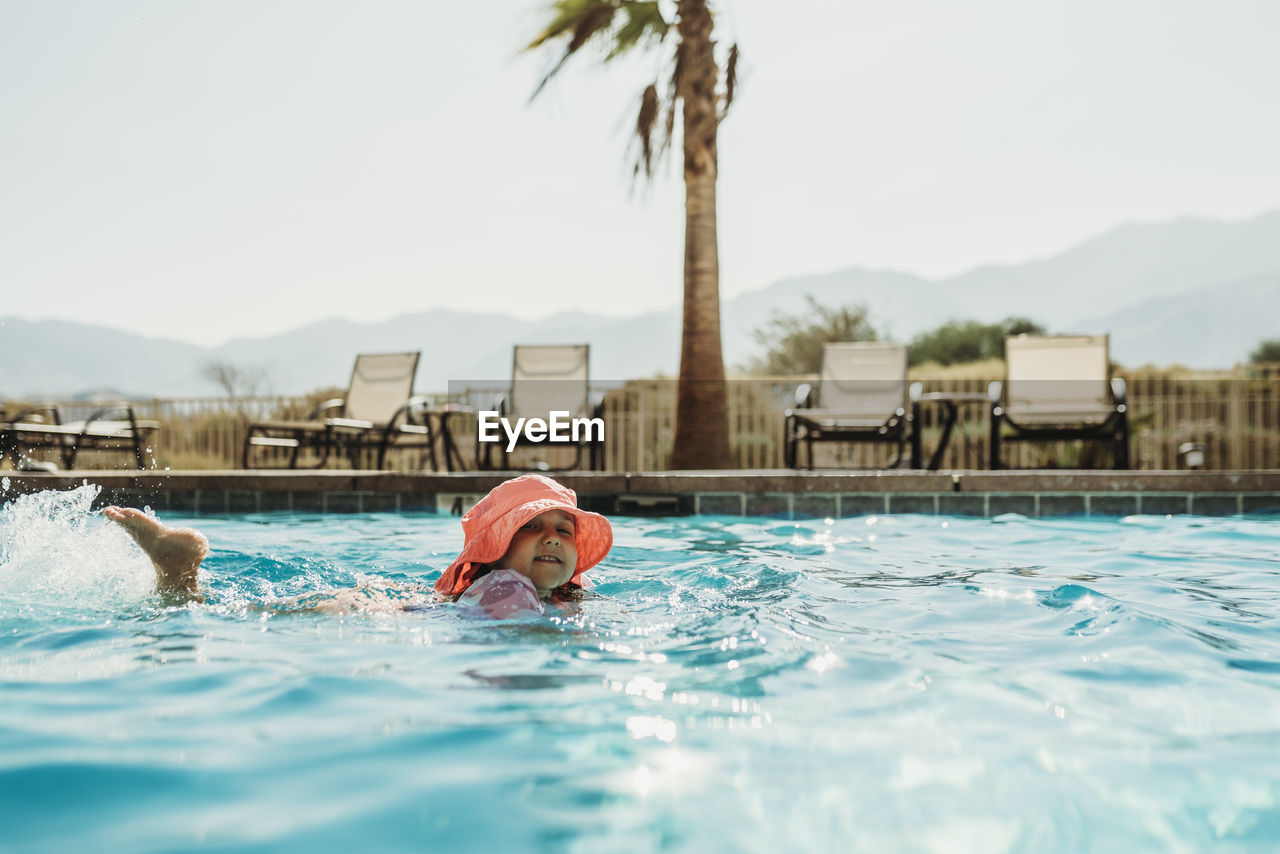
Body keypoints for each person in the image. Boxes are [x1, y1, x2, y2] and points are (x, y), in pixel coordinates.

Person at [104, 474, 613, 619]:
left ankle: (180, 578)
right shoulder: (509, 588)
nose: (552, 536)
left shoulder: (550, 592)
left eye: (564, 529)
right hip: (414, 618)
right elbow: (516, 633)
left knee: (294, 608)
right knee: (312, 613)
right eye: (531, 526)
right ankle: (180, 581)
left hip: (421, 606)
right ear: (496, 547)